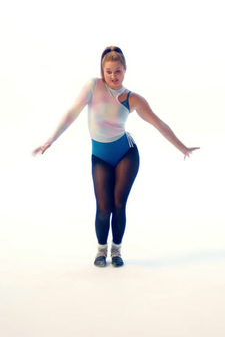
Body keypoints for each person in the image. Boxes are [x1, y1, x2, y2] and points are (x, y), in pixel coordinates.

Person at [33, 46, 199, 268]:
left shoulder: (133, 99)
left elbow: (159, 124)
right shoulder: (93, 86)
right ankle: (101, 251)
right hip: (100, 157)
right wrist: (50, 140)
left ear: (125, 70)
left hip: (126, 154)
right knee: (104, 208)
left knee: (119, 205)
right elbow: (71, 113)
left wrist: (183, 147)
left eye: (118, 71)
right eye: (108, 71)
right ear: (102, 70)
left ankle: (117, 251)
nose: (113, 76)